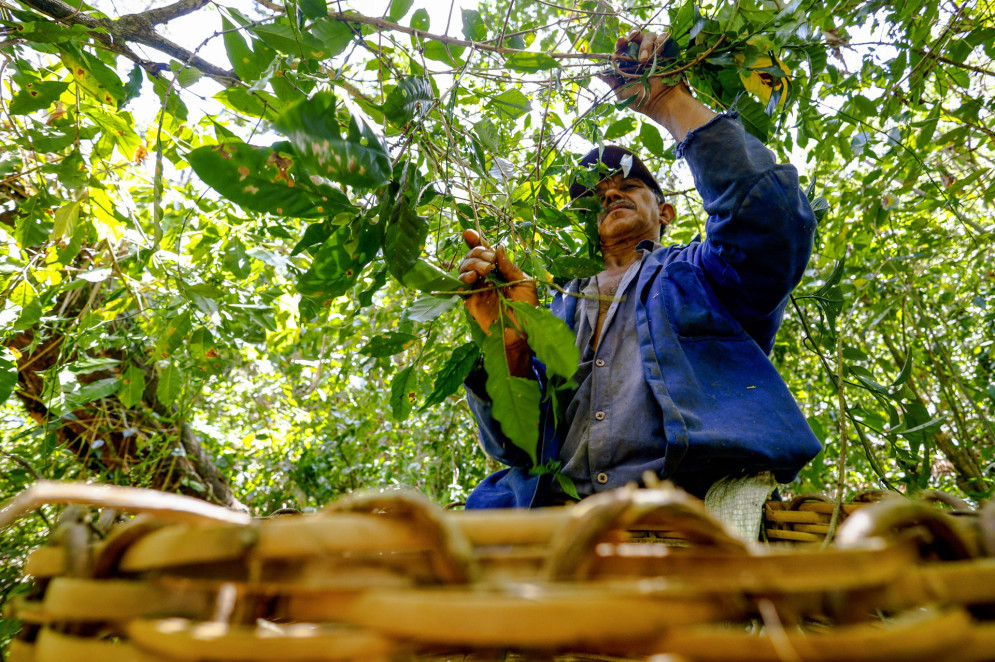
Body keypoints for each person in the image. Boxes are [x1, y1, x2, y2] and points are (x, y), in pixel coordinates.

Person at [457, 29, 821, 509]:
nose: (609, 194)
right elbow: (515, 447)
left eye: (628, 184)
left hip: (692, 514)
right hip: (553, 529)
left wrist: (667, 99)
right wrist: (511, 349)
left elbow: (769, 219)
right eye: (595, 195)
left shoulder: (700, 274)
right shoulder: (559, 306)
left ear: (665, 212)